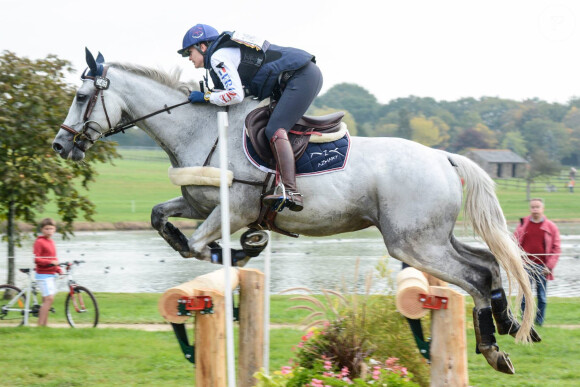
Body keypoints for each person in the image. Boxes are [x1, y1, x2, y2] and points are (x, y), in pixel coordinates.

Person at [178, 24, 323, 212]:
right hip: (298, 76)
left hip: (301, 77)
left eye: (189, 52)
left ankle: (290, 190)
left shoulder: (217, 57)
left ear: (202, 47)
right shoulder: (222, 53)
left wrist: (206, 97)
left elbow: (235, 95)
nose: (189, 58)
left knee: (274, 129)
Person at [514, 198, 561, 326]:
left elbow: (556, 249)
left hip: (543, 267)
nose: (535, 209)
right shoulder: (523, 225)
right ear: (530, 209)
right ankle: (525, 321)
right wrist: (518, 263)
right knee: (524, 297)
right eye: (533, 207)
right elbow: (514, 244)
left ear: (542, 209)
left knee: (542, 296)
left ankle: (539, 322)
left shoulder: (551, 227)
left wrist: (549, 267)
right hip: (525, 266)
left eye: (537, 207)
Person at [33, 218, 62, 326]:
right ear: (42, 229)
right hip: (43, 275)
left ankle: (44, 325)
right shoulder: (39, 242)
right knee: (49, 299)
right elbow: (36, 259)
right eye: (46, 229)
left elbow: (54, 258)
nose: (49, 231)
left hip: (51, 275)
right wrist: (50, 262)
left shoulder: (52, 242)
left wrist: (58, 269)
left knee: (47, 300)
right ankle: (40, 325)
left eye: (51, 228)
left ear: (55, 230)